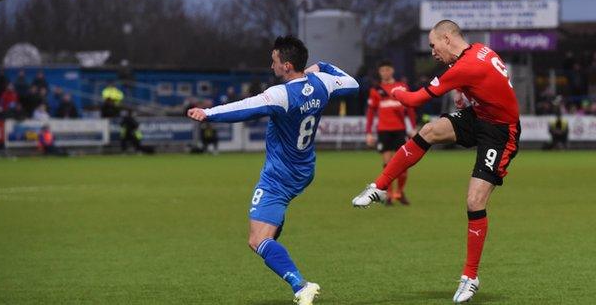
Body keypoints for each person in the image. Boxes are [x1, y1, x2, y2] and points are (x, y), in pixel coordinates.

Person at [351, 20, 521, 303]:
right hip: (479, 116)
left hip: (501, 132)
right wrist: (463, 93)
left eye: (433, 45)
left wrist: (392, 90)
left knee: (474, 202)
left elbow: (414, 100)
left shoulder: (465, 66)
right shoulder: (479, 50)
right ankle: (379, 187)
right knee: (428, 131)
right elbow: (493, 82)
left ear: (446, 38)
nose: (432, 52)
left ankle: (470, 277)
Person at [187, 36, 359, 305]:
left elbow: (246, 107)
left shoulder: (282, 95)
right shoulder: (322, 84)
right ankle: (275, 230)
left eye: (275, 61)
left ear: (287, 66)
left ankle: (301, 286)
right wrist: (322, 65)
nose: (271, 66)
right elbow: (352, 83)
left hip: (280, 175)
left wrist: (209, 114)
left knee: (258, 240)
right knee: (267, 235)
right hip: (304, 169)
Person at [365, 60, 417, 205]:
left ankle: (399, 192)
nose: (385, 73)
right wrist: (368, 132)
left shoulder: (402, 87)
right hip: (384, 130)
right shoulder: (376, 89)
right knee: (387, 164)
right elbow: (371, 112)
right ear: (380, 72)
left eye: (387, 69)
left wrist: (412, 127)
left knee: (403, 164)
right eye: (383, 70)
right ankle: (388, 195)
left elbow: (410, 109)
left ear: (392, 70)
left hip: (400, 130)